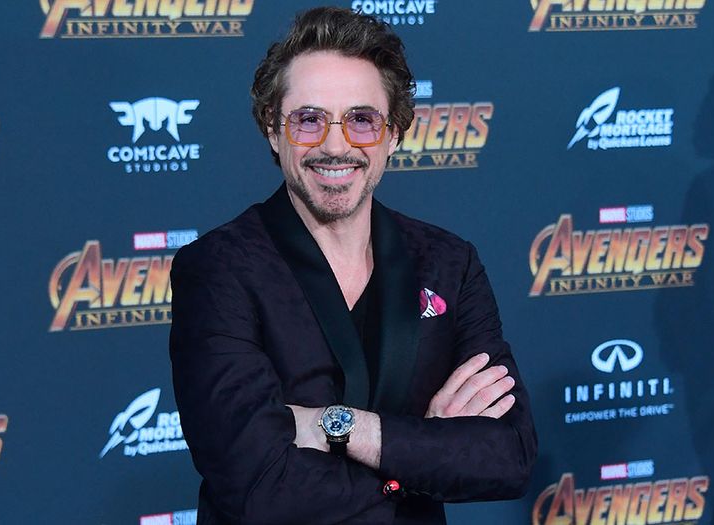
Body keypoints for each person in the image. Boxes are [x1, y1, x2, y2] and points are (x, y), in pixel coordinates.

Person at [169, 7, 537, 524]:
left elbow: (508, 456)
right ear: (273, 130)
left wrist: (334, 427)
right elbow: (261, 490)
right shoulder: (217, 270)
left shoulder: (450, 263)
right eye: (309, 120)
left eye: (362, 120)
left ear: (394, 134)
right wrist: (424, 447)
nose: (336, 145)